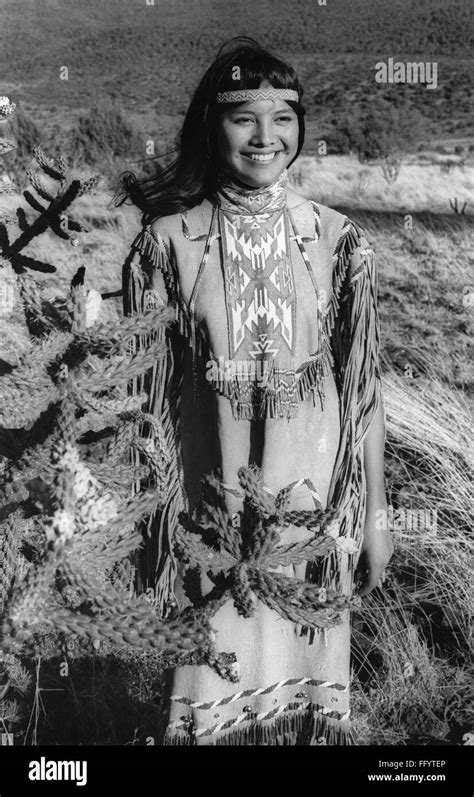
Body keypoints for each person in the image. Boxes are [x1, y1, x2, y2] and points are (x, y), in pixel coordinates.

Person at [117, 37, 393, 745]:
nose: (265, 136)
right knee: (206, 697)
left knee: (307, 714)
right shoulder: (166, 245)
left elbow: (364, 393)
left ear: (301, 128)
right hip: (210, 529)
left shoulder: (337, 241)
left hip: (311, 522)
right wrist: (153, 522)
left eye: (283, 117)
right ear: (213, 124)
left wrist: (377, 517)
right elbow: (143, 402)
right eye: (244, 117)